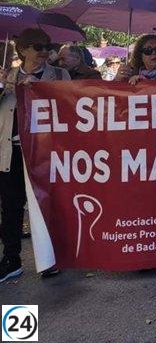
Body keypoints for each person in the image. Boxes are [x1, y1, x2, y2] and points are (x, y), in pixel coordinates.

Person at [0, 28, 70, 282]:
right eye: (37, 47)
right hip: (12, 152)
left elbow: (73, 107)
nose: (44, 52)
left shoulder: (60, 75)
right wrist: (4, 86)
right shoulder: (7, 78)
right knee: (10, 207)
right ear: (23, 50)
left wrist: (42, 89)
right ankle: (11, 258)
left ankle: (51, 258)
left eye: (47, 47)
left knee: (49, 206)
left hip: (46, 152)